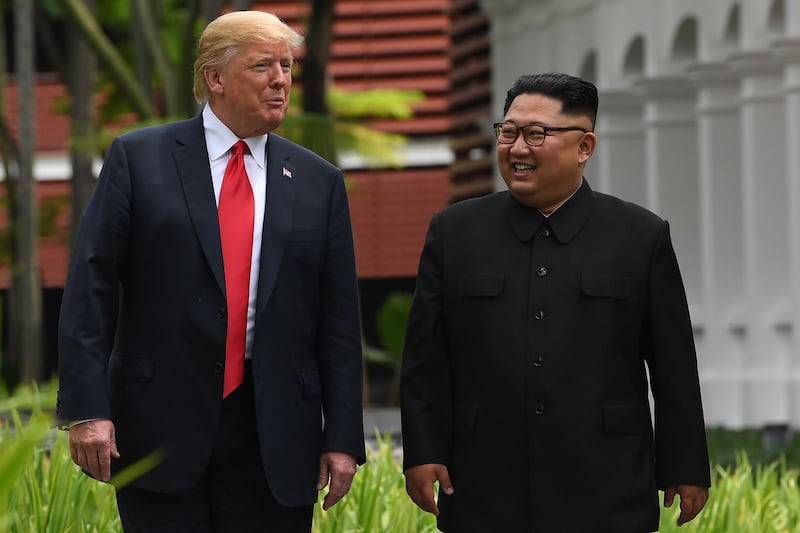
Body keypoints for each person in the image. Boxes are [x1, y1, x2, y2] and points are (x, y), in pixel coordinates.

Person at [56, 10, 365, 532]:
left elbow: (337, 320)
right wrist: (88, 409)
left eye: (287, 66)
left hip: (274, 432)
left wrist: (341, 438)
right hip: (159, 425)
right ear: (214, 78)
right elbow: (92, 289)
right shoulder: (139, 158)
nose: (280, 80)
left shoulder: (319, 180)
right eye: (262, 65)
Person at [400, 72, 710, 532]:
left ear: (585, 147)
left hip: (606, 481)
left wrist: (685, 465)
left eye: (537, 134)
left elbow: (673, 365)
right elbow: (425, 359)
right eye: (509, 132)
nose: (518, 148)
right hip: (484, 480)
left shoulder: (640, 236)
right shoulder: (455, 233)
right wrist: (423, 452)